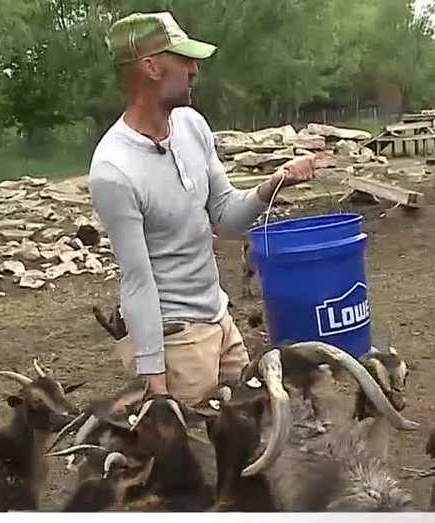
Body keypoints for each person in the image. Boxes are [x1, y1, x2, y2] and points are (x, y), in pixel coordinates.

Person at [87, 11, 315, 404]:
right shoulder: (113, 169)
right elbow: (136, 280)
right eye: (185, 59)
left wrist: (274, 182)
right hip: (177, 341)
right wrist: (155, 381)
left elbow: (225, 218)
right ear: (151, 66)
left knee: (251, 434)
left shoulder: (192, 125)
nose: (195, 69)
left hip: (220, 319)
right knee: (198, 457)